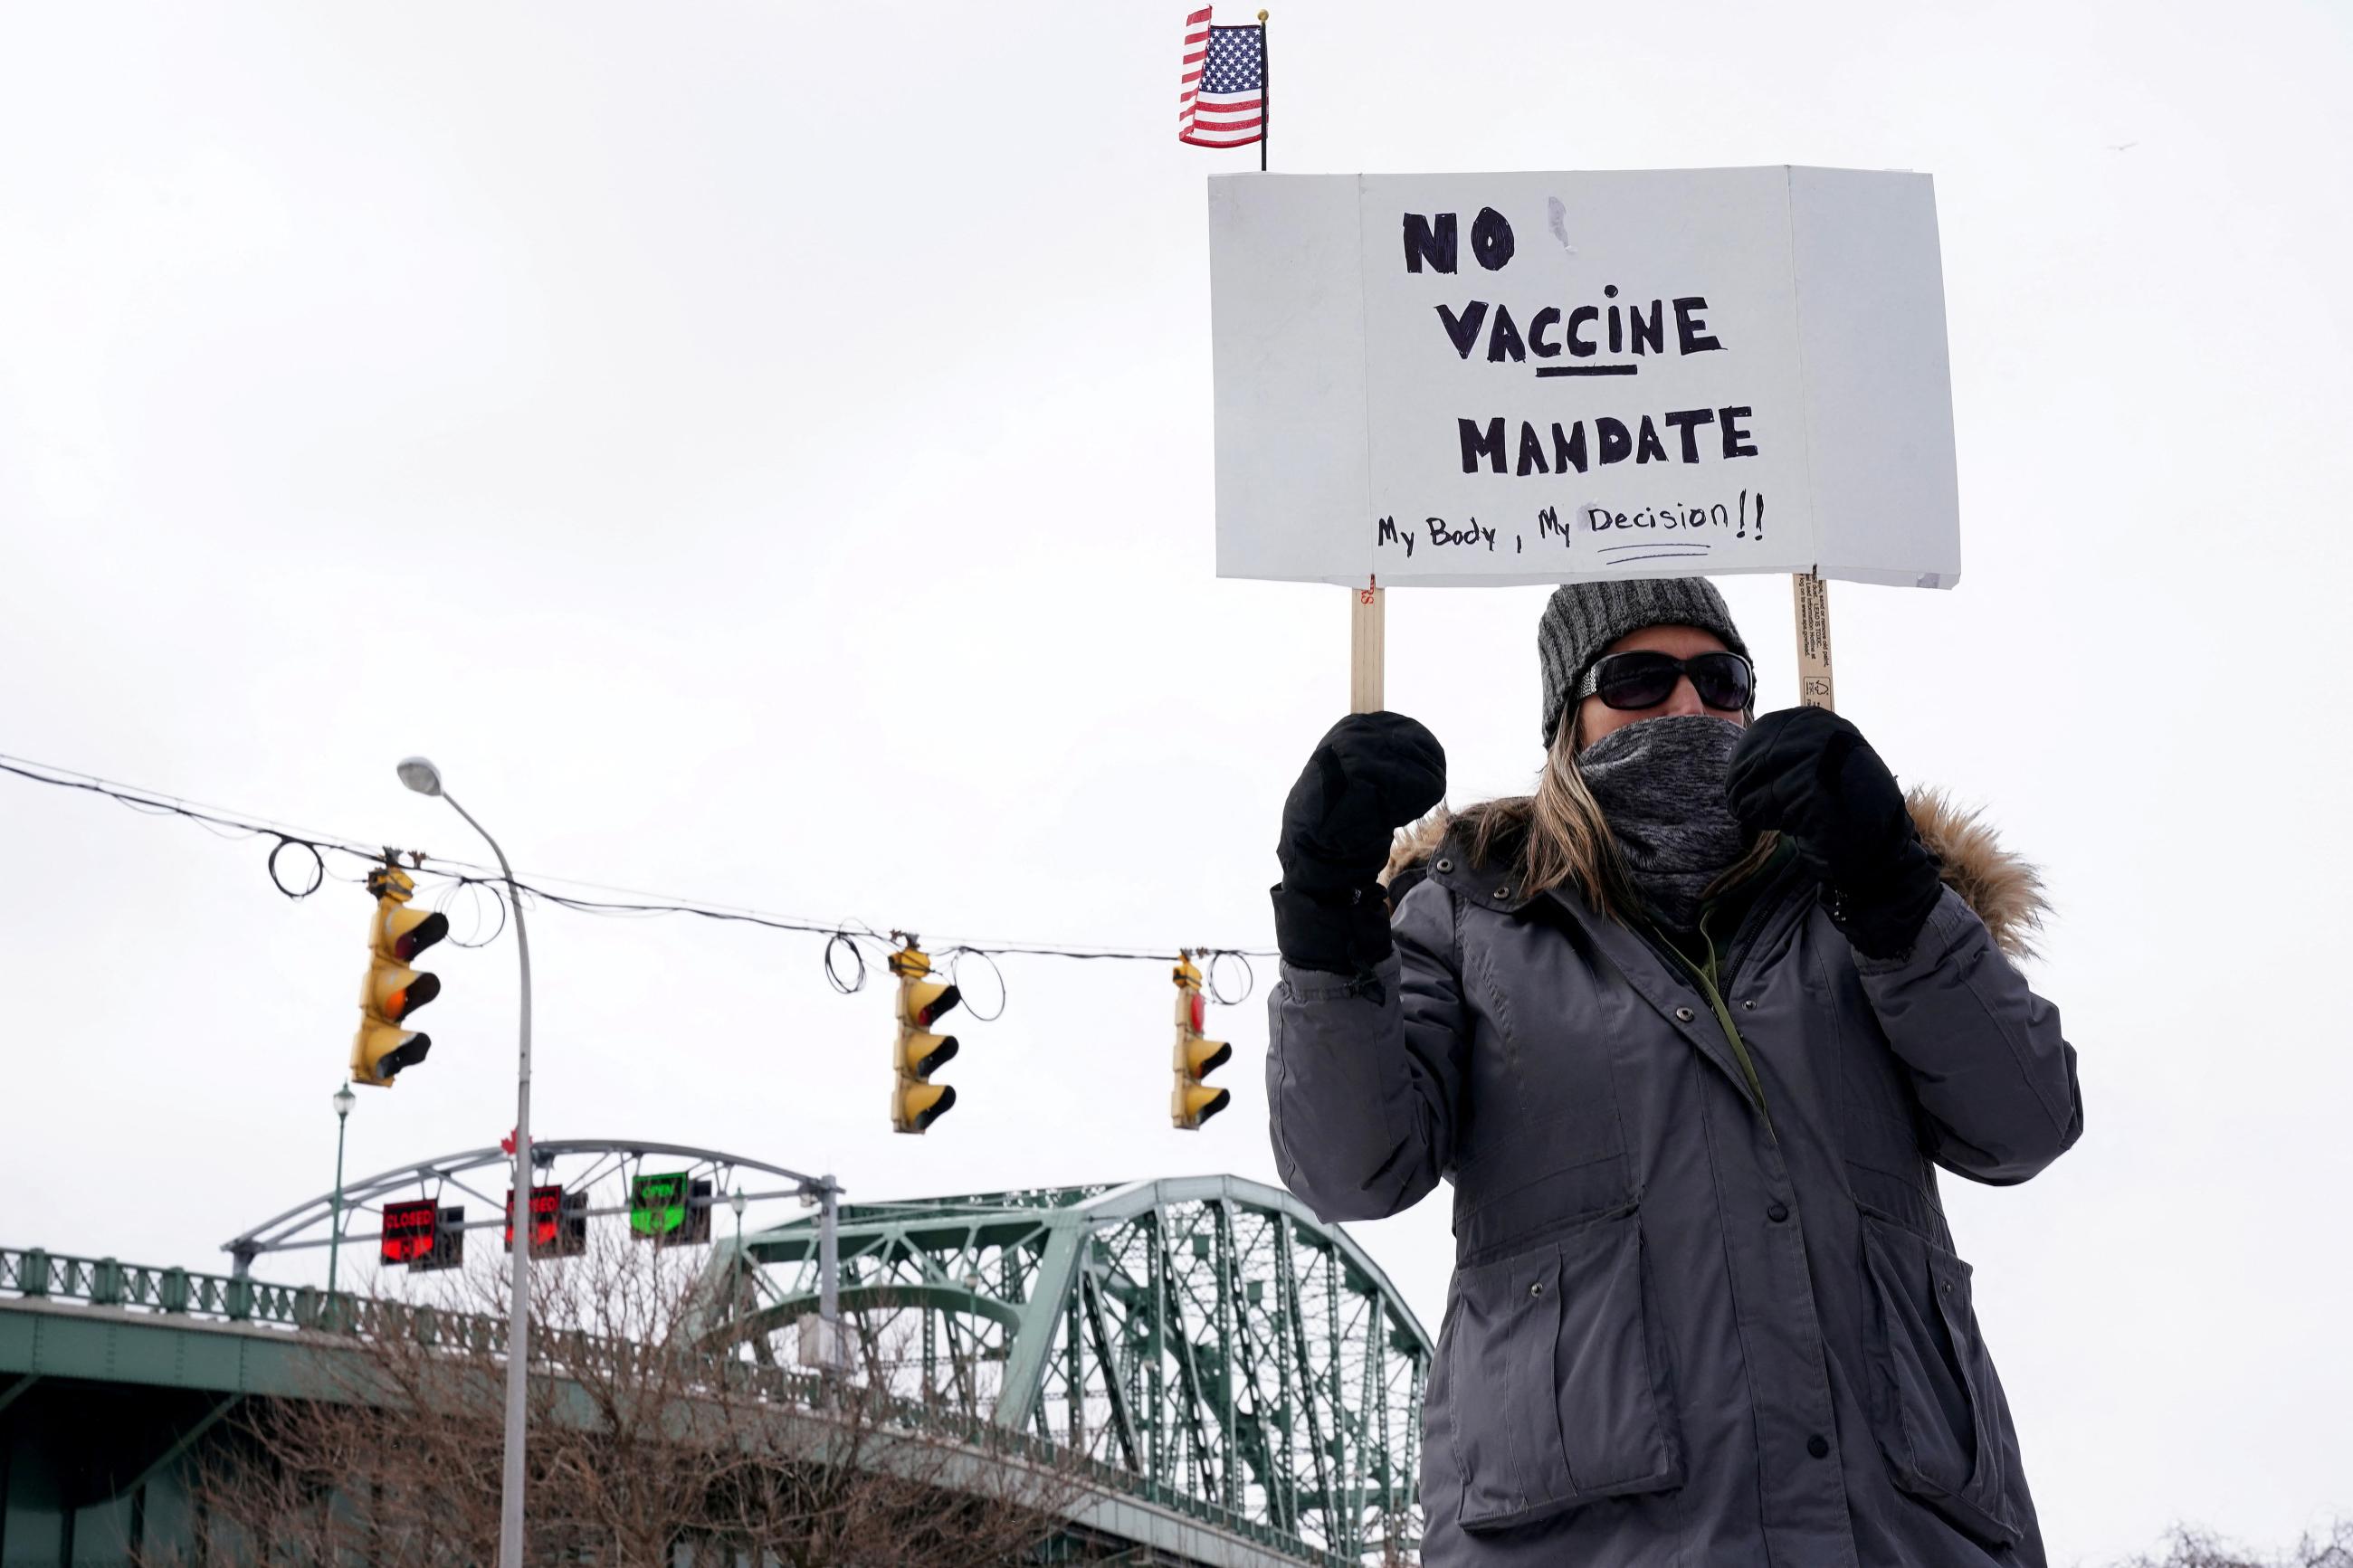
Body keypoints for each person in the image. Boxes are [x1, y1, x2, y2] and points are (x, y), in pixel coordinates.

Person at [1266, 577, 2082, 1568]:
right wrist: (1326, 913)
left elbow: (2025, 1119)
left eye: (1718, 677)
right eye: (1639, 679)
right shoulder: (1467, 912)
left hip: (1897, 1533)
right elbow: (1351, 1166)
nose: (1688, 707)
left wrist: (1889, 883)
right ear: (1568, 717)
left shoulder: (1865, 893)